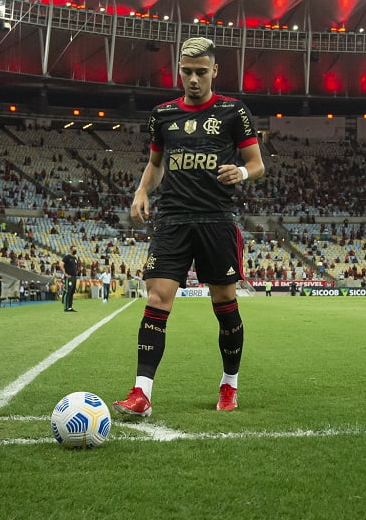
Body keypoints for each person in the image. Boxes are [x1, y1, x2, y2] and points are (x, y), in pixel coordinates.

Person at [113, 37, 265, 418]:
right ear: (178, 71)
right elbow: (156, 162)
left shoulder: (234, 111)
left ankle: (229, 385)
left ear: (215, 71)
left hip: (216, 219)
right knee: (156, 299)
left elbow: (258, 163)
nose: (193, 79)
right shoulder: (162, 114)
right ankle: (141, 393)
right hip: (173, 219)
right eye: (187, 71)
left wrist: (242, 171)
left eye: (201, 72)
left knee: (224, 305)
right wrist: (142, 190)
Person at [60, 247, 80, 312]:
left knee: (72, 292)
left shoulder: (75, 258)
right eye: (74, 250)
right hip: (69, 277)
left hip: (74, 277)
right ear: (71, 250)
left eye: (76, 250)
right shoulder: (67, 257)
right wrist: (64, 273)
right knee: (68, 291)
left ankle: (70, 307)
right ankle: (66, 307)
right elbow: (61, 264)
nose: (75, 251)